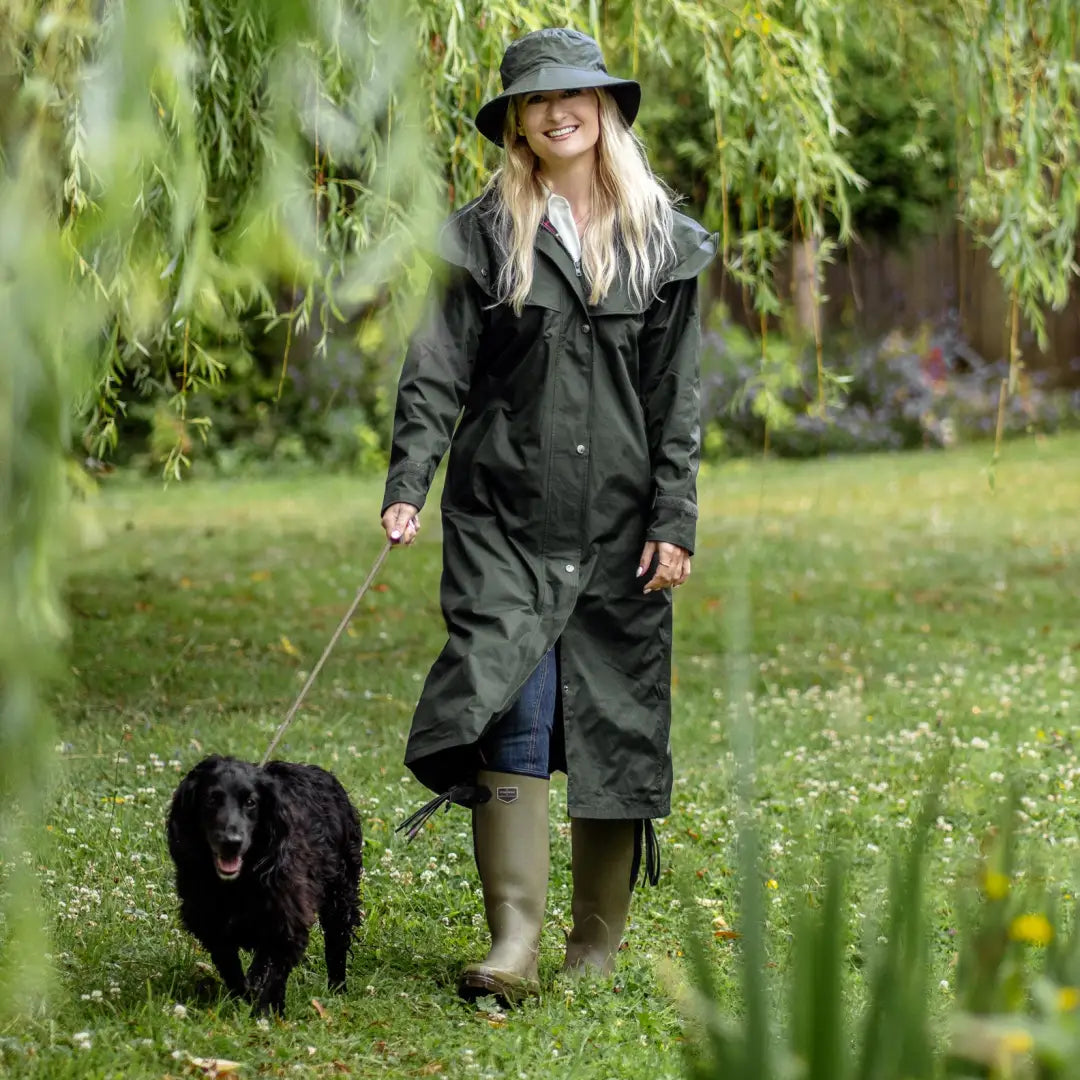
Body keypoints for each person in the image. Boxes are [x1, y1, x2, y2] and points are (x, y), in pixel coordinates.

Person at [381, 26, 716, 1005]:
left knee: (615, 719)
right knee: (511, 705)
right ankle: (513, 941)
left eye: (575, 95)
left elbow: (676, 399)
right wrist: (410, 483)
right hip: (503, 525)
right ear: (518, 122)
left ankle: (596, 948)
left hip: (620, 531)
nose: (557, 112)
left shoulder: (661, 240)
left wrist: (676, 518)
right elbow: (435, 374)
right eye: (536, 100)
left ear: (605, 108)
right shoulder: (484, 234)